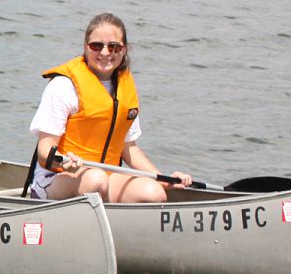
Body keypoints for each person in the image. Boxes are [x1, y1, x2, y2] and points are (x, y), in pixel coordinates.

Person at [26, 12, 191, 202]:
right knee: (96, 179)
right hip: (56, 178)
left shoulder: (125, 88)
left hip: (104, 178)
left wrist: (163, 179)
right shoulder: (63, 86)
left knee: (153, 193)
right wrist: (64, 163)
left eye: (114, 47)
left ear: (124, 49)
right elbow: (44, 150)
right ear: (85, 47)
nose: (105, 53)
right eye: (97, 46)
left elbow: (128, 147)